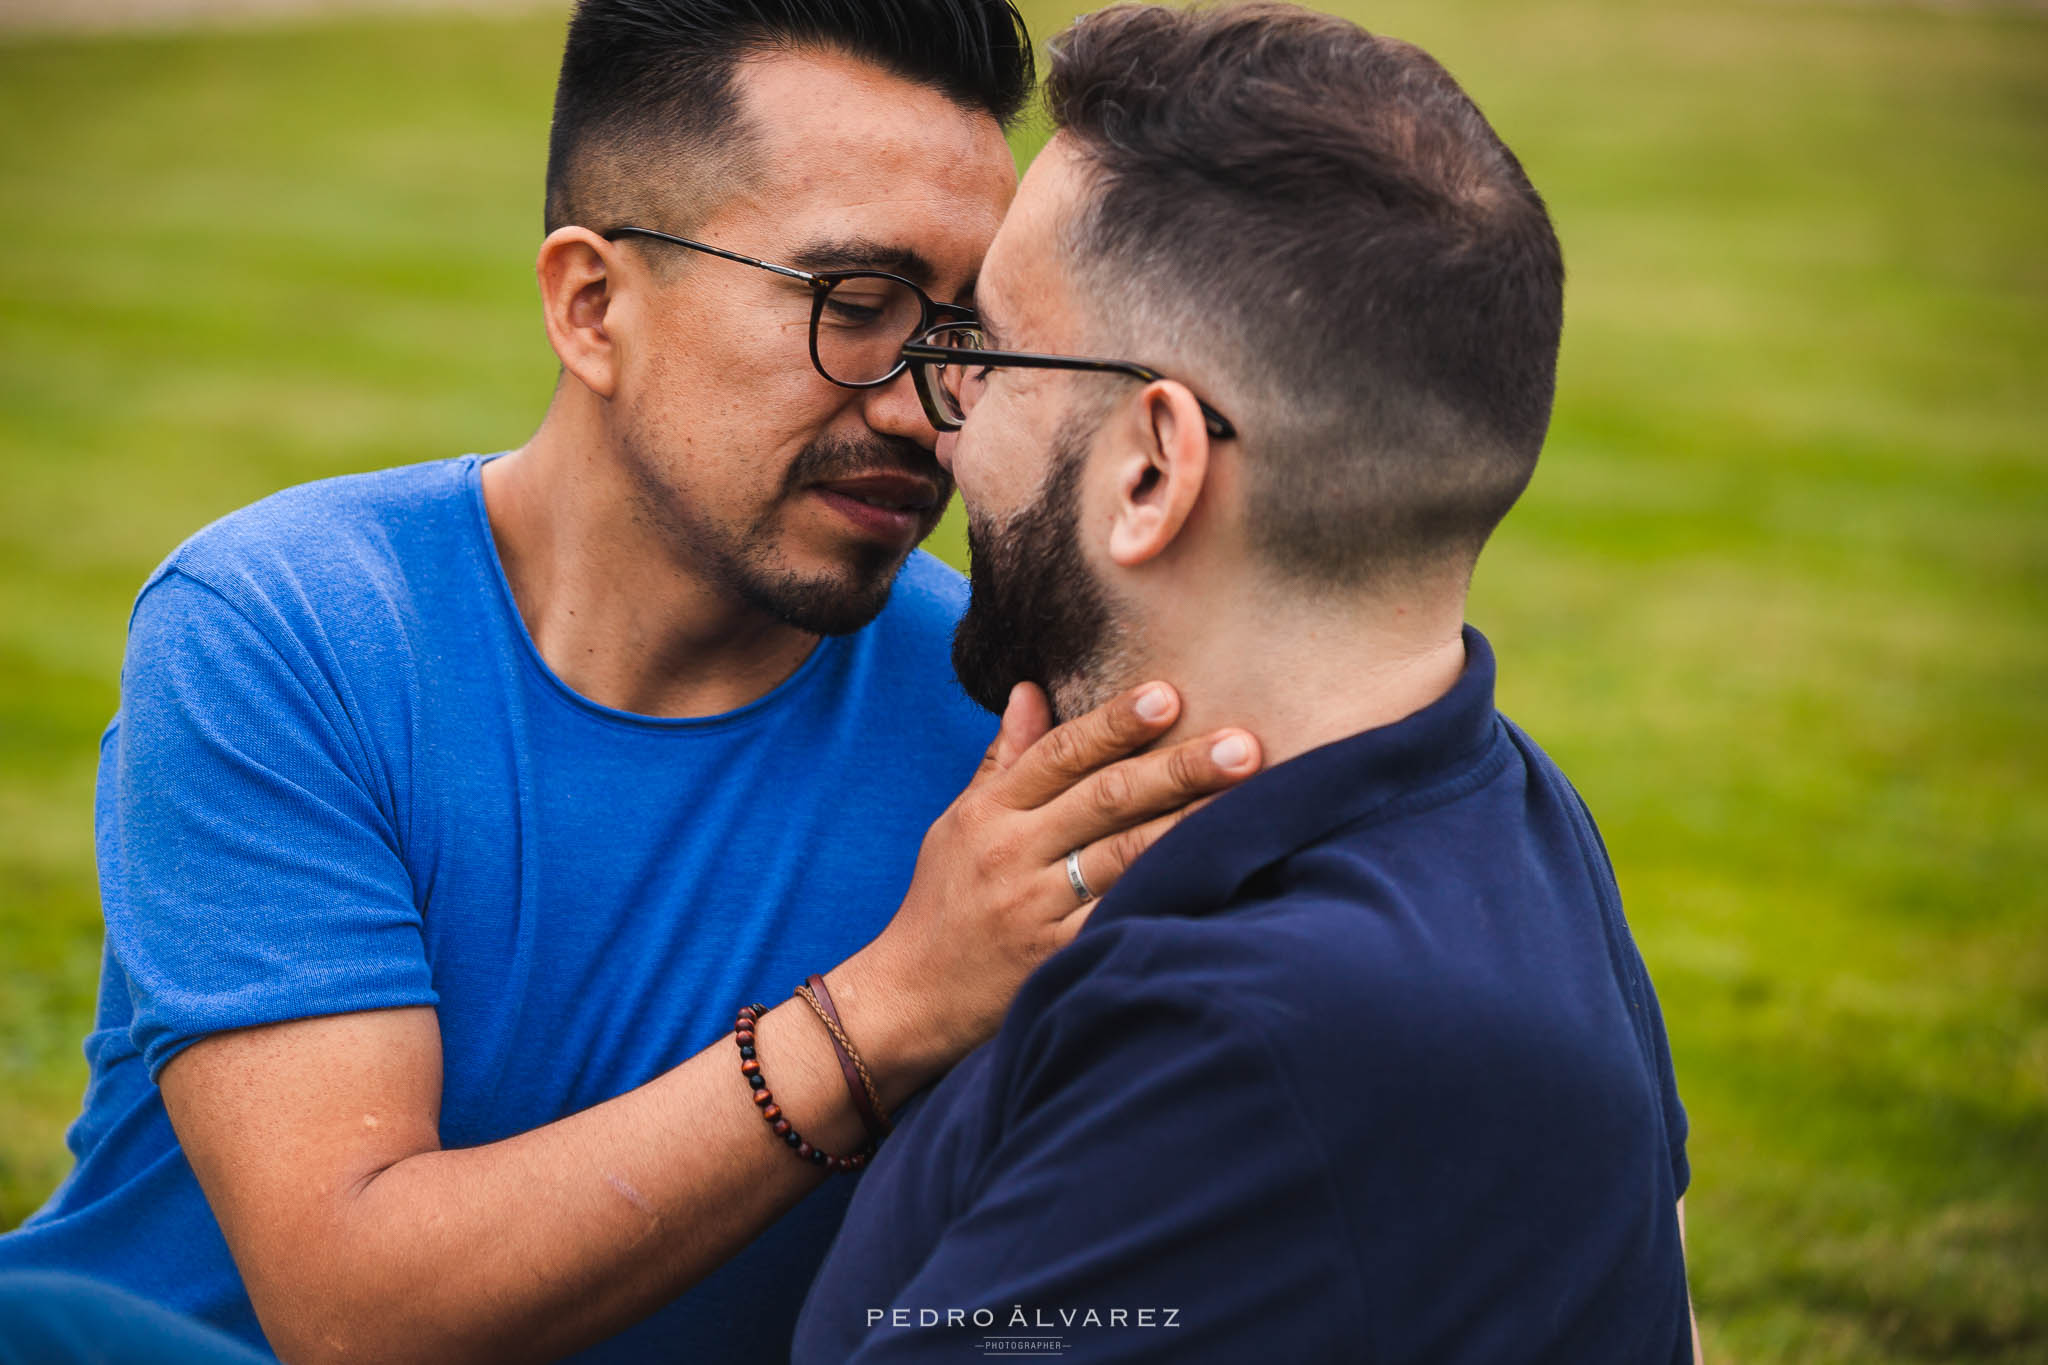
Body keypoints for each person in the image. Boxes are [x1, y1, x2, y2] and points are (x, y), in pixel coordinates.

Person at [0, 3, 1263, 1362]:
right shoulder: (295, 630)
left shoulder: (1006, 738)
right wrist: (900, 1001)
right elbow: (355, 1311)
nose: (917, 407)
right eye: (854, 305)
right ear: (591, 304)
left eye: (961, 339)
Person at [793, 5, 1701, 1361]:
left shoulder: (1257, 1045)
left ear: (1153, 467)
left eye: (986, 350)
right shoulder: (1507, 804)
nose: (944, 412)